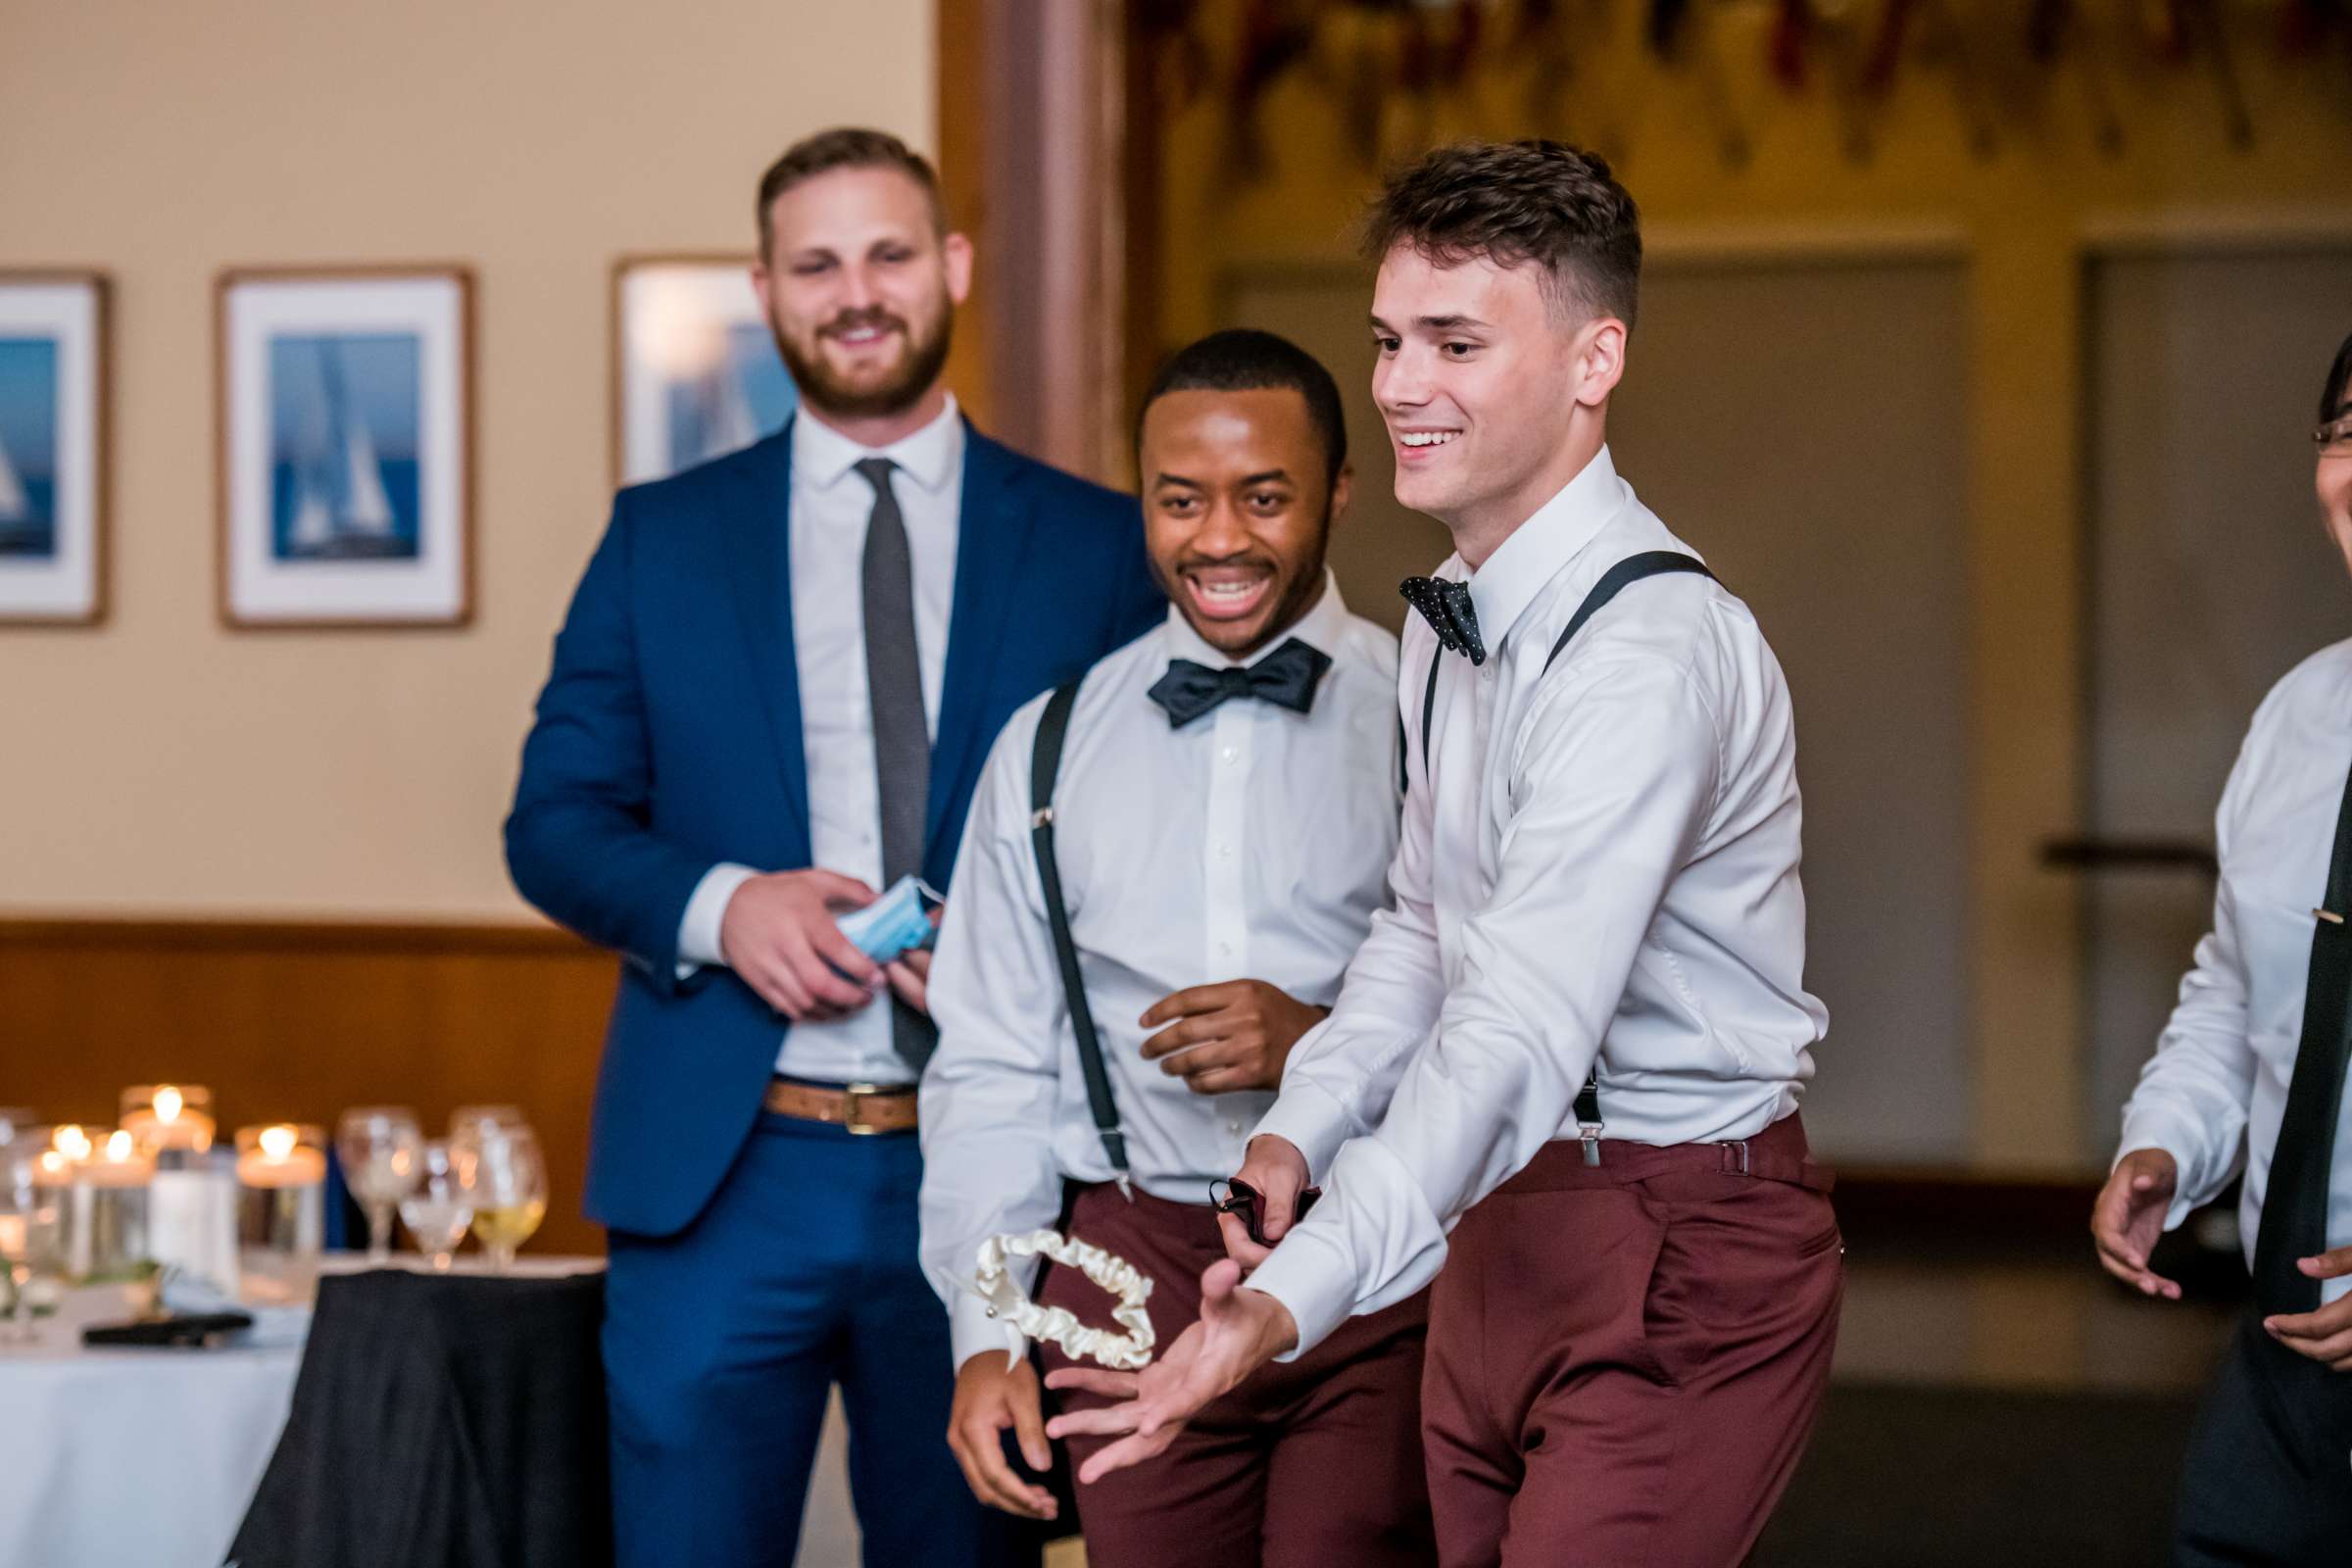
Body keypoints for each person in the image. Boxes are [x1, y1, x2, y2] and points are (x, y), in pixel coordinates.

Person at [1047, 140, 1841, 1568]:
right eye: (1392, 341)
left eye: (1457, 343)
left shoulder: (1650, 654)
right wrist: (1299, 1133)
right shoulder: (1446, 615)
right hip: (1498, 1225)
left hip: (1673, 1241)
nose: (1403, 386)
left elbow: (1522, 1017)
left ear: (1594, 360)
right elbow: (1422, 928)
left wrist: (1297, 1295)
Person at [504, 126, 1161, 1567]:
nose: (855, 291)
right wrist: (723, 906)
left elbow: (1164, 856)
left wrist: (1026, 967)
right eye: (816, 264)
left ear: (953, 267)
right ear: (766, 289)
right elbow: (551, 826)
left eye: (887, 254)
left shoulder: (1098, 546)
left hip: (999, 1175)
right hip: (725, 1174)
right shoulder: (660, 539)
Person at [918, 328, 1436, 1567]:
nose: (1218, 539)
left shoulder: (1435, 723)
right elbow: (988, 1070)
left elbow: (1527, 1018)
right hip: (1125, 1273)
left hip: (1380, 1269)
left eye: (1264, 497)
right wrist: (989, 1333)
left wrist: (1317, 1042)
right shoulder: (1046, 750)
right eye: (1179, 499)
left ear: (1338, 495)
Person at [2091, 328, 2352, 1566]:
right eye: (2345, 433)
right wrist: (2165, 1146)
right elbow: (2236, 990)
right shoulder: (2299, 718)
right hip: (2281, 1359)